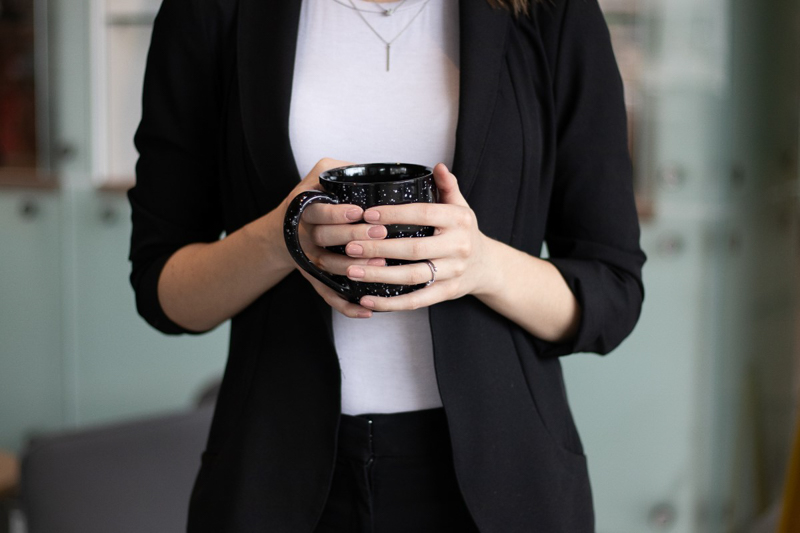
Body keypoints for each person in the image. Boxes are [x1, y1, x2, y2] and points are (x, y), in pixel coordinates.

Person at [128, 0, 646, 531]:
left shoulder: (550, 11)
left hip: (504, 483)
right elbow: (164, 289)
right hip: (274, 476)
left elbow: (613, 293)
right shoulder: (211, 11)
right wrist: (278, 238)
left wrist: (482, 265)